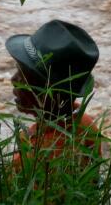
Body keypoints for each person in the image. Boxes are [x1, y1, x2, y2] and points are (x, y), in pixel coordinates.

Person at [6, 20, 101, 171]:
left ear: (47, 91)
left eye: (22, 74)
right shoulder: (82, 121)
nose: (13, 80)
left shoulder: (39, 157)